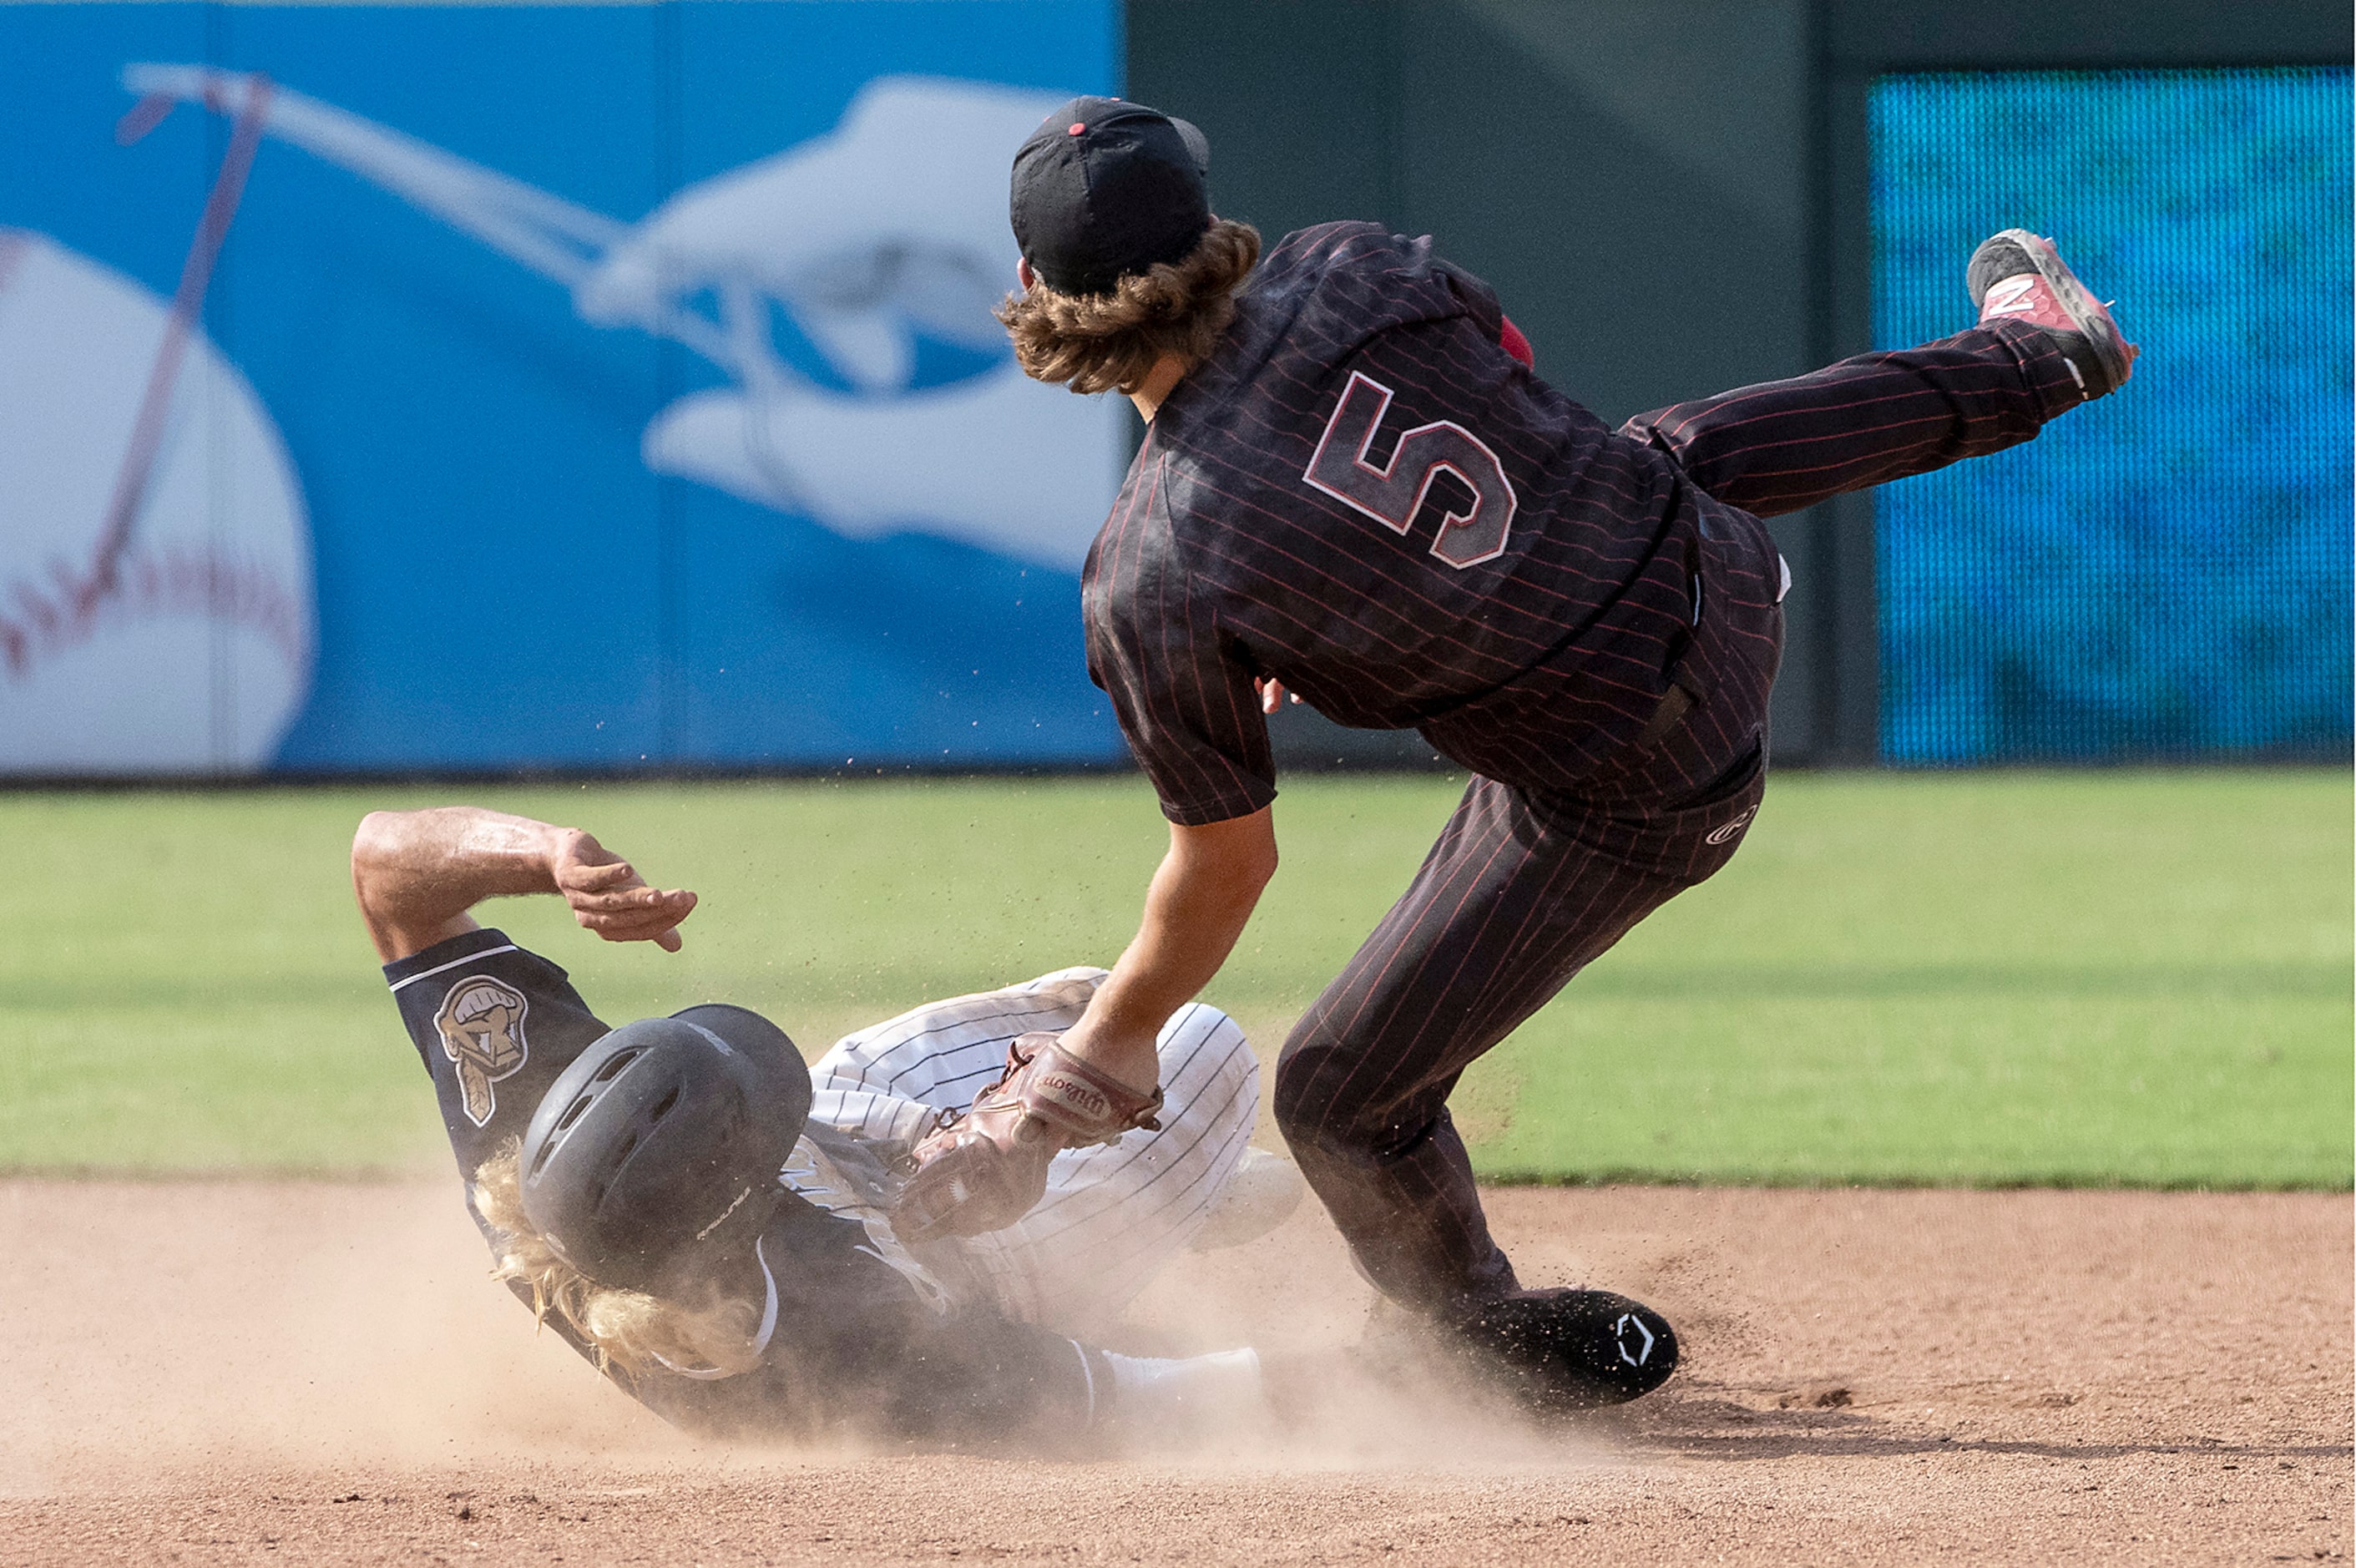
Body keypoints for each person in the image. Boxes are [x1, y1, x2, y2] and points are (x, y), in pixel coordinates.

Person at [892, 97, 2136, 1402]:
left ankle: (1479, 1358)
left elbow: (1225, 867)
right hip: (1713, 561)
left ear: (1037, 289)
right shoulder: (1345, 266)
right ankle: (2038, 360)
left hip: (1641, 780)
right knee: (1643, 458)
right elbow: (1509, 368)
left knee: (1338, 1096)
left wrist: (1087, 1066)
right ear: (1206, 232)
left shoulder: (1155, 575)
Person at [351, 804, 1315, 1448]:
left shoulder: (542, 1159)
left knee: (1091, 1013)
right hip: (985, 1262)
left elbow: (385, 865)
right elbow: (1114, 1402)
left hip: (845, 1149)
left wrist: (548, 853)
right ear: (740, 1198)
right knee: (1199, 1041)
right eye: (757, 1114)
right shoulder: (853, 1345)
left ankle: (1173, 1174)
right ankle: (1168, 1189)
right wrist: (1358, 1378)